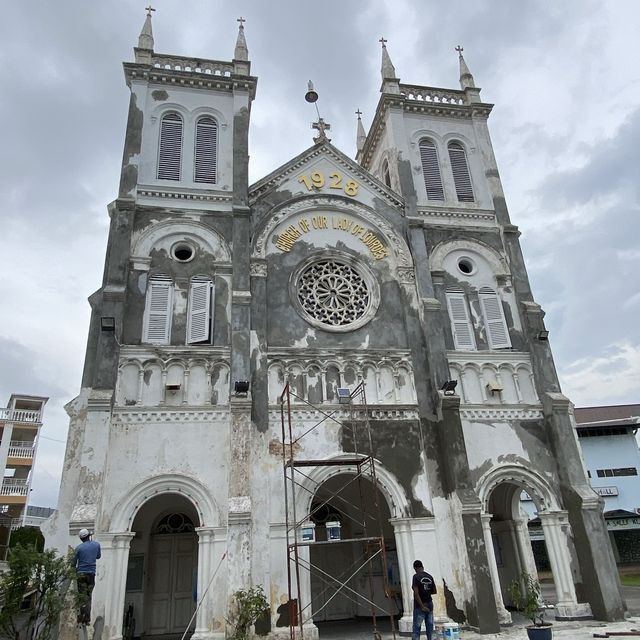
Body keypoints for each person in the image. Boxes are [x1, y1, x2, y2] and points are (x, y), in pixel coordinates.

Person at [75, 528, 101, 625]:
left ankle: (82, 616)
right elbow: (98, 556)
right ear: (89, 536)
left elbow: (73, 563)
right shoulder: (96, 545)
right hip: (91, 573)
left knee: (82, 596)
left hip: (81, 573)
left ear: (81, 539)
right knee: (89, 596)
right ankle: (87, 618)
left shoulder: (78, 548)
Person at [411, 559, 437, 640]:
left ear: (415, 568)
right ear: (422, 567)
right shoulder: (430, 576)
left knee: (416, 628)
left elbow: (416, 594)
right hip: (429, 604)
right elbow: (434, 591)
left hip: (420, 606)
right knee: (430, 628)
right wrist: (426, 591)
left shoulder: (416, 577)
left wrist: (422, 606)